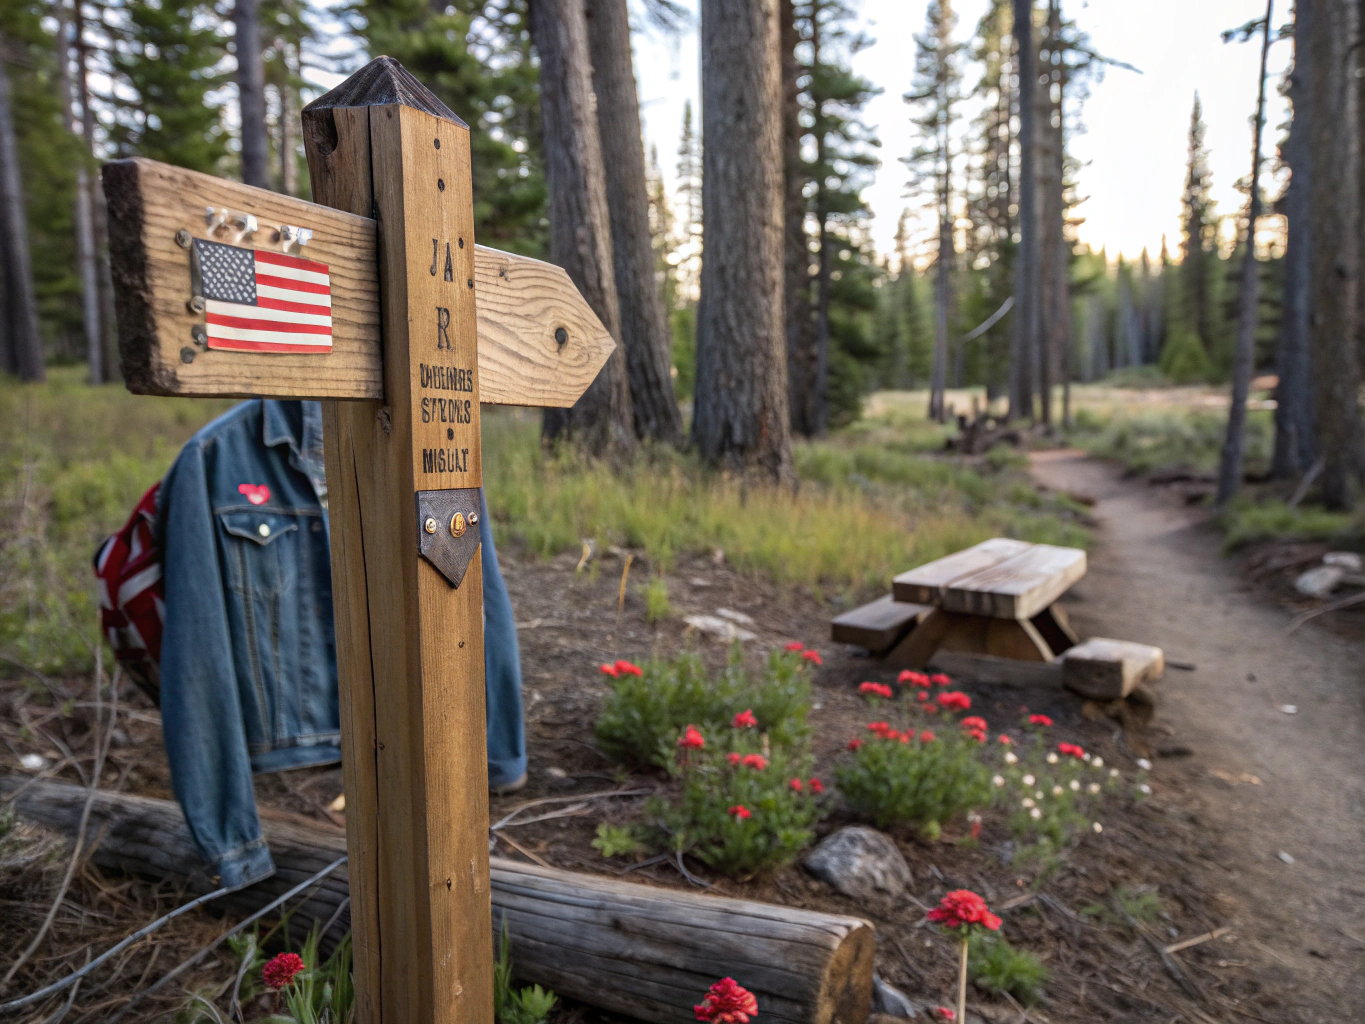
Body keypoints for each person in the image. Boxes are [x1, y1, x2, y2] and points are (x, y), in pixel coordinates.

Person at [157, 399, 524, 891]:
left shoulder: (434, 446)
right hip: (282, 730)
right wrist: (234, 841)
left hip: (408, 720)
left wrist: (496, 754)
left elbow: (476, 595)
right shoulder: (212, 459)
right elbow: (197, 655)